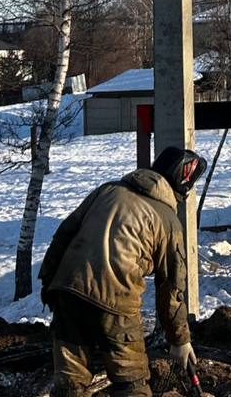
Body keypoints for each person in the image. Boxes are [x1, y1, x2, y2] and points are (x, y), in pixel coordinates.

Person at [38, 146, 207, 397]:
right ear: (185, 184)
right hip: (115, 302)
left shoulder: (107, 190)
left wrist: (49, 286)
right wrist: (179, 341)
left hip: (67, 291)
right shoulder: (167, 220)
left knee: (70, 386)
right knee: (132, 385)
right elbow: (171, 288)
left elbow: (63, 236)